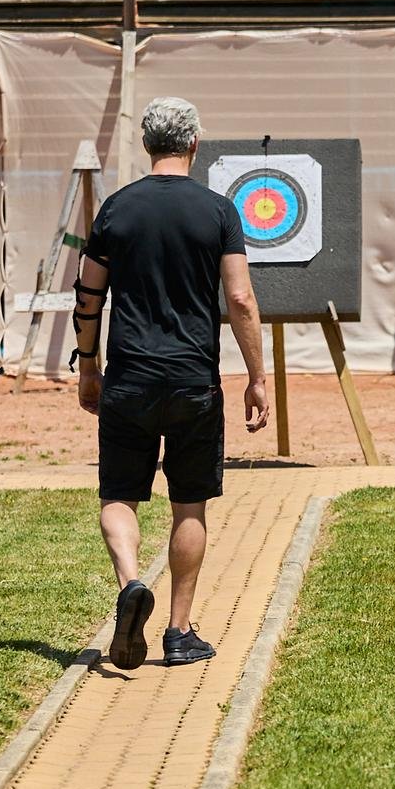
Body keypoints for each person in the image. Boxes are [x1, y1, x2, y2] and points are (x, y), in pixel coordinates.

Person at [70, 97, 272, 670]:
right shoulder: (219, 211)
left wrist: (89, 369)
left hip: (129, 378)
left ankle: (132, 582)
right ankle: (179, 634)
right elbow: (239, 298)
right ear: (194, 144)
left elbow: (89, 296)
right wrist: (257, 378)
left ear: (146, 144)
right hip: (193, 382)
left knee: (118, 496)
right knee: (190, 504)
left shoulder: (115, 209)